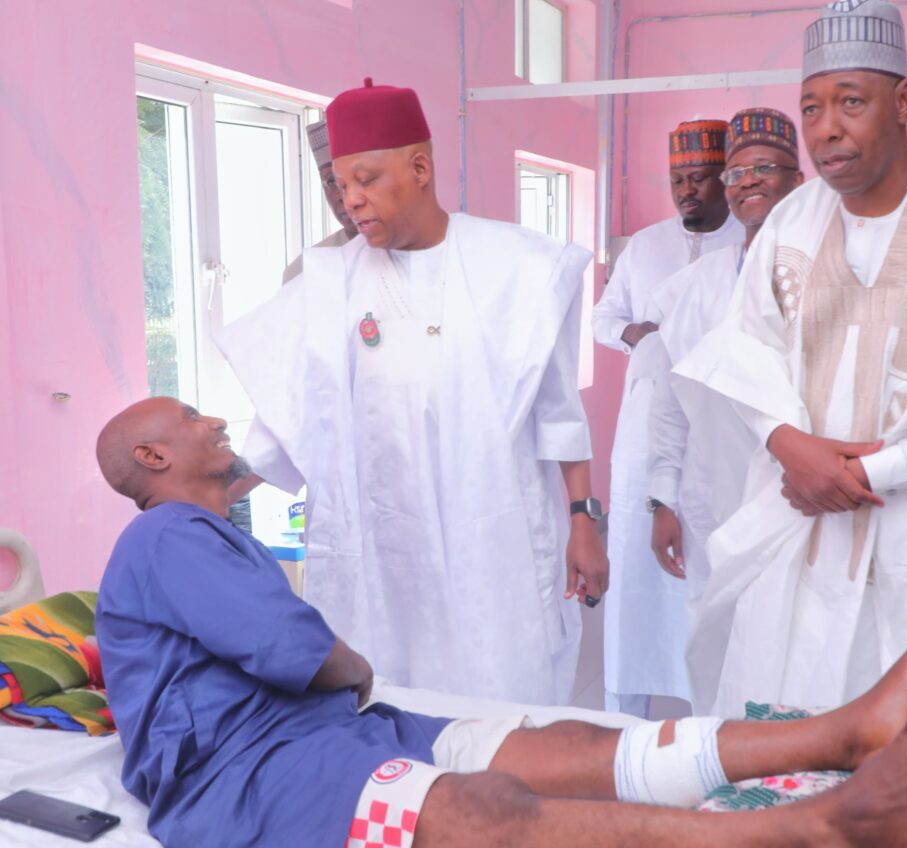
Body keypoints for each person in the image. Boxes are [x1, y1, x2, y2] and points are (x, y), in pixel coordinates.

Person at [95, 396, 907, 848]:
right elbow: (293, 649)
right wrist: (355, 667)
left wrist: (354, 690)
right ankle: (814, 830)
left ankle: (842, 732)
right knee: (487, 809)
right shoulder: (165, 533)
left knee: (566, 745)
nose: (214, 419)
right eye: (191, 416)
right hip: (247, 779)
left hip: (330, 734)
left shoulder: (201, 535)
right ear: (152, 455)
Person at [676, 0, 907, 755]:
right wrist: (785, 443)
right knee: (787, 751)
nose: (827, 128)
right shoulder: (790, 224)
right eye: (812, 107)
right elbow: (745, 352)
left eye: (851, 103)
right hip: (801, 535)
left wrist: (868, 471)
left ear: (903, 102)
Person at [217, 80, 608, 706]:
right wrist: (191, 500)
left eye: (366, 180)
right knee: (389, 707)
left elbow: (558, 413)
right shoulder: (327, 287)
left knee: (502, 706)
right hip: (381, 559)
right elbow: (280, 430)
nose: (352, 200)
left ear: (420, 168)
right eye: (341, 185)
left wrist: (584, 522)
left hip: (492, 541)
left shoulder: (520, 266)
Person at [645, 109, 805, 711]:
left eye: (765, 167)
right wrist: (662, 498)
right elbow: (670, 402)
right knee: (714, 638)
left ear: (798, 180)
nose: (748, 181)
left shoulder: (830, 275)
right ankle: (719, 753)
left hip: (799, 499)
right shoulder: (692, 287)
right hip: (710, 495)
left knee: (790, 646)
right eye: (735, 172)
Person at [595, 120, 744, 717]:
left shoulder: (748, 245)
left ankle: (710, 717)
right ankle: (626, 716)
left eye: (700, 178)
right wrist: (638, 334)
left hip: (715, 427)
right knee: (636, 571)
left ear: (726, 179)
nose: (687, 190)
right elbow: (604, 318)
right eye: (678, 179)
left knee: (708, 568)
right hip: (642, 431)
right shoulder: (645, 245)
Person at [282, 119, 360, 283]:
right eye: (331, 181)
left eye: (359, 178)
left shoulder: (410, 256)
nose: (342, 195)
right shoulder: (302, 272)